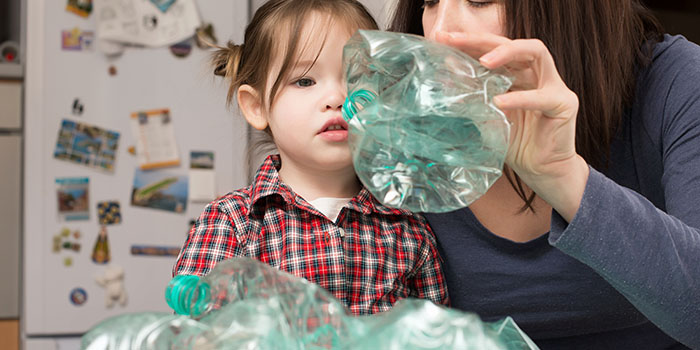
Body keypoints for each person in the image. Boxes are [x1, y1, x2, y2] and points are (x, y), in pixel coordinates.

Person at [390, 0, 700, 348]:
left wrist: (564, 177)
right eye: (430, 1)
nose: (439, 33)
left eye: (479, 0)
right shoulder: (393, 112)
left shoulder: (676, 81)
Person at [173, 0, 448, 316]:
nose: (335, 98)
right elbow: (195, 334)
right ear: (256, 106)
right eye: (305, 81)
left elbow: (437, 334)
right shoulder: (231, 223)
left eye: (356, 78)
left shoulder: (408, 228)